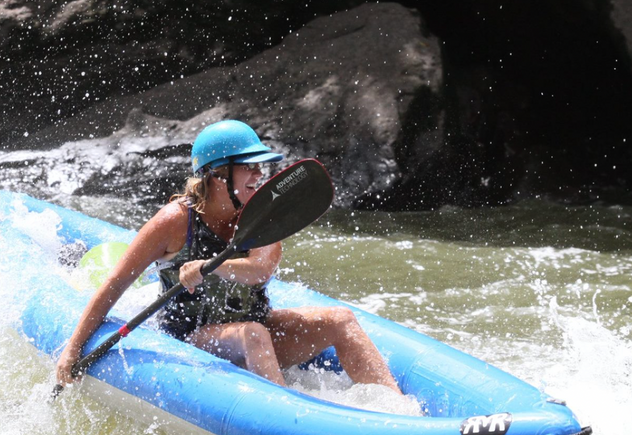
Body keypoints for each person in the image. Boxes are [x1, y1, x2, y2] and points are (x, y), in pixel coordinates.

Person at [55, 119, 402, 394]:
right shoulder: (174, 222)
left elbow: (260, 270)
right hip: (192, 337)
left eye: (259, 167)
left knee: (339, 319)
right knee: (251, 334)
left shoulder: (264, 215)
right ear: (217, 174)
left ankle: (399, 412)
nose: (259, 175)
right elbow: (117, 283)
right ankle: (287, 415)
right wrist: (73, 349)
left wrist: (210, 269)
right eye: (248, 167)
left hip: (258, 330)